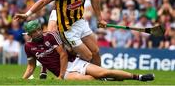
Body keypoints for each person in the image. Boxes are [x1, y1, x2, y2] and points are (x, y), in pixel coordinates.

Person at [14, 0, 130, 67]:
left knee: (95, 51)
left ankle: (100, 76)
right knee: (88, 55)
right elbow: (43, 2)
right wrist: (27, 14)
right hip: (67, 28)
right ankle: (76, 68)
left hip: (80, 22)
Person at [23, 19, 155, 82]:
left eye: (39, 29)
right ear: (29, 34)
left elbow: (63, 55)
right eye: (34, 32)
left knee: (105, 71)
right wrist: (23, 80)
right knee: (90, 79)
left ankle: (139, 77)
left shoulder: (51, 36)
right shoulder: (28, 47)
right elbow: (31, 66)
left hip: (72, 63)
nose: (38, 32)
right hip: (66, 72)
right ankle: (107, 80)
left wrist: (60, 76)